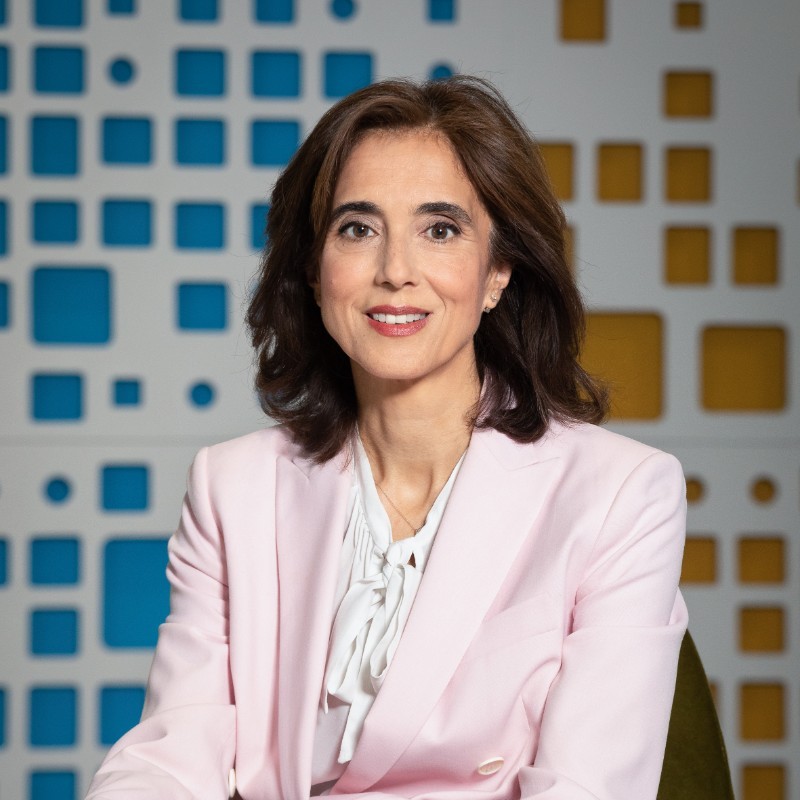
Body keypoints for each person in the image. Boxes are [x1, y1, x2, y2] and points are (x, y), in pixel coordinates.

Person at [86, 76, 687, 800]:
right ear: (314, 270)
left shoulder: (621, 495)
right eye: (357, 229)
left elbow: (586, 788)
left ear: (498, 271)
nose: (396, 272)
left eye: (440, 230)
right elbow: (170, 757)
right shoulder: (230, 487)